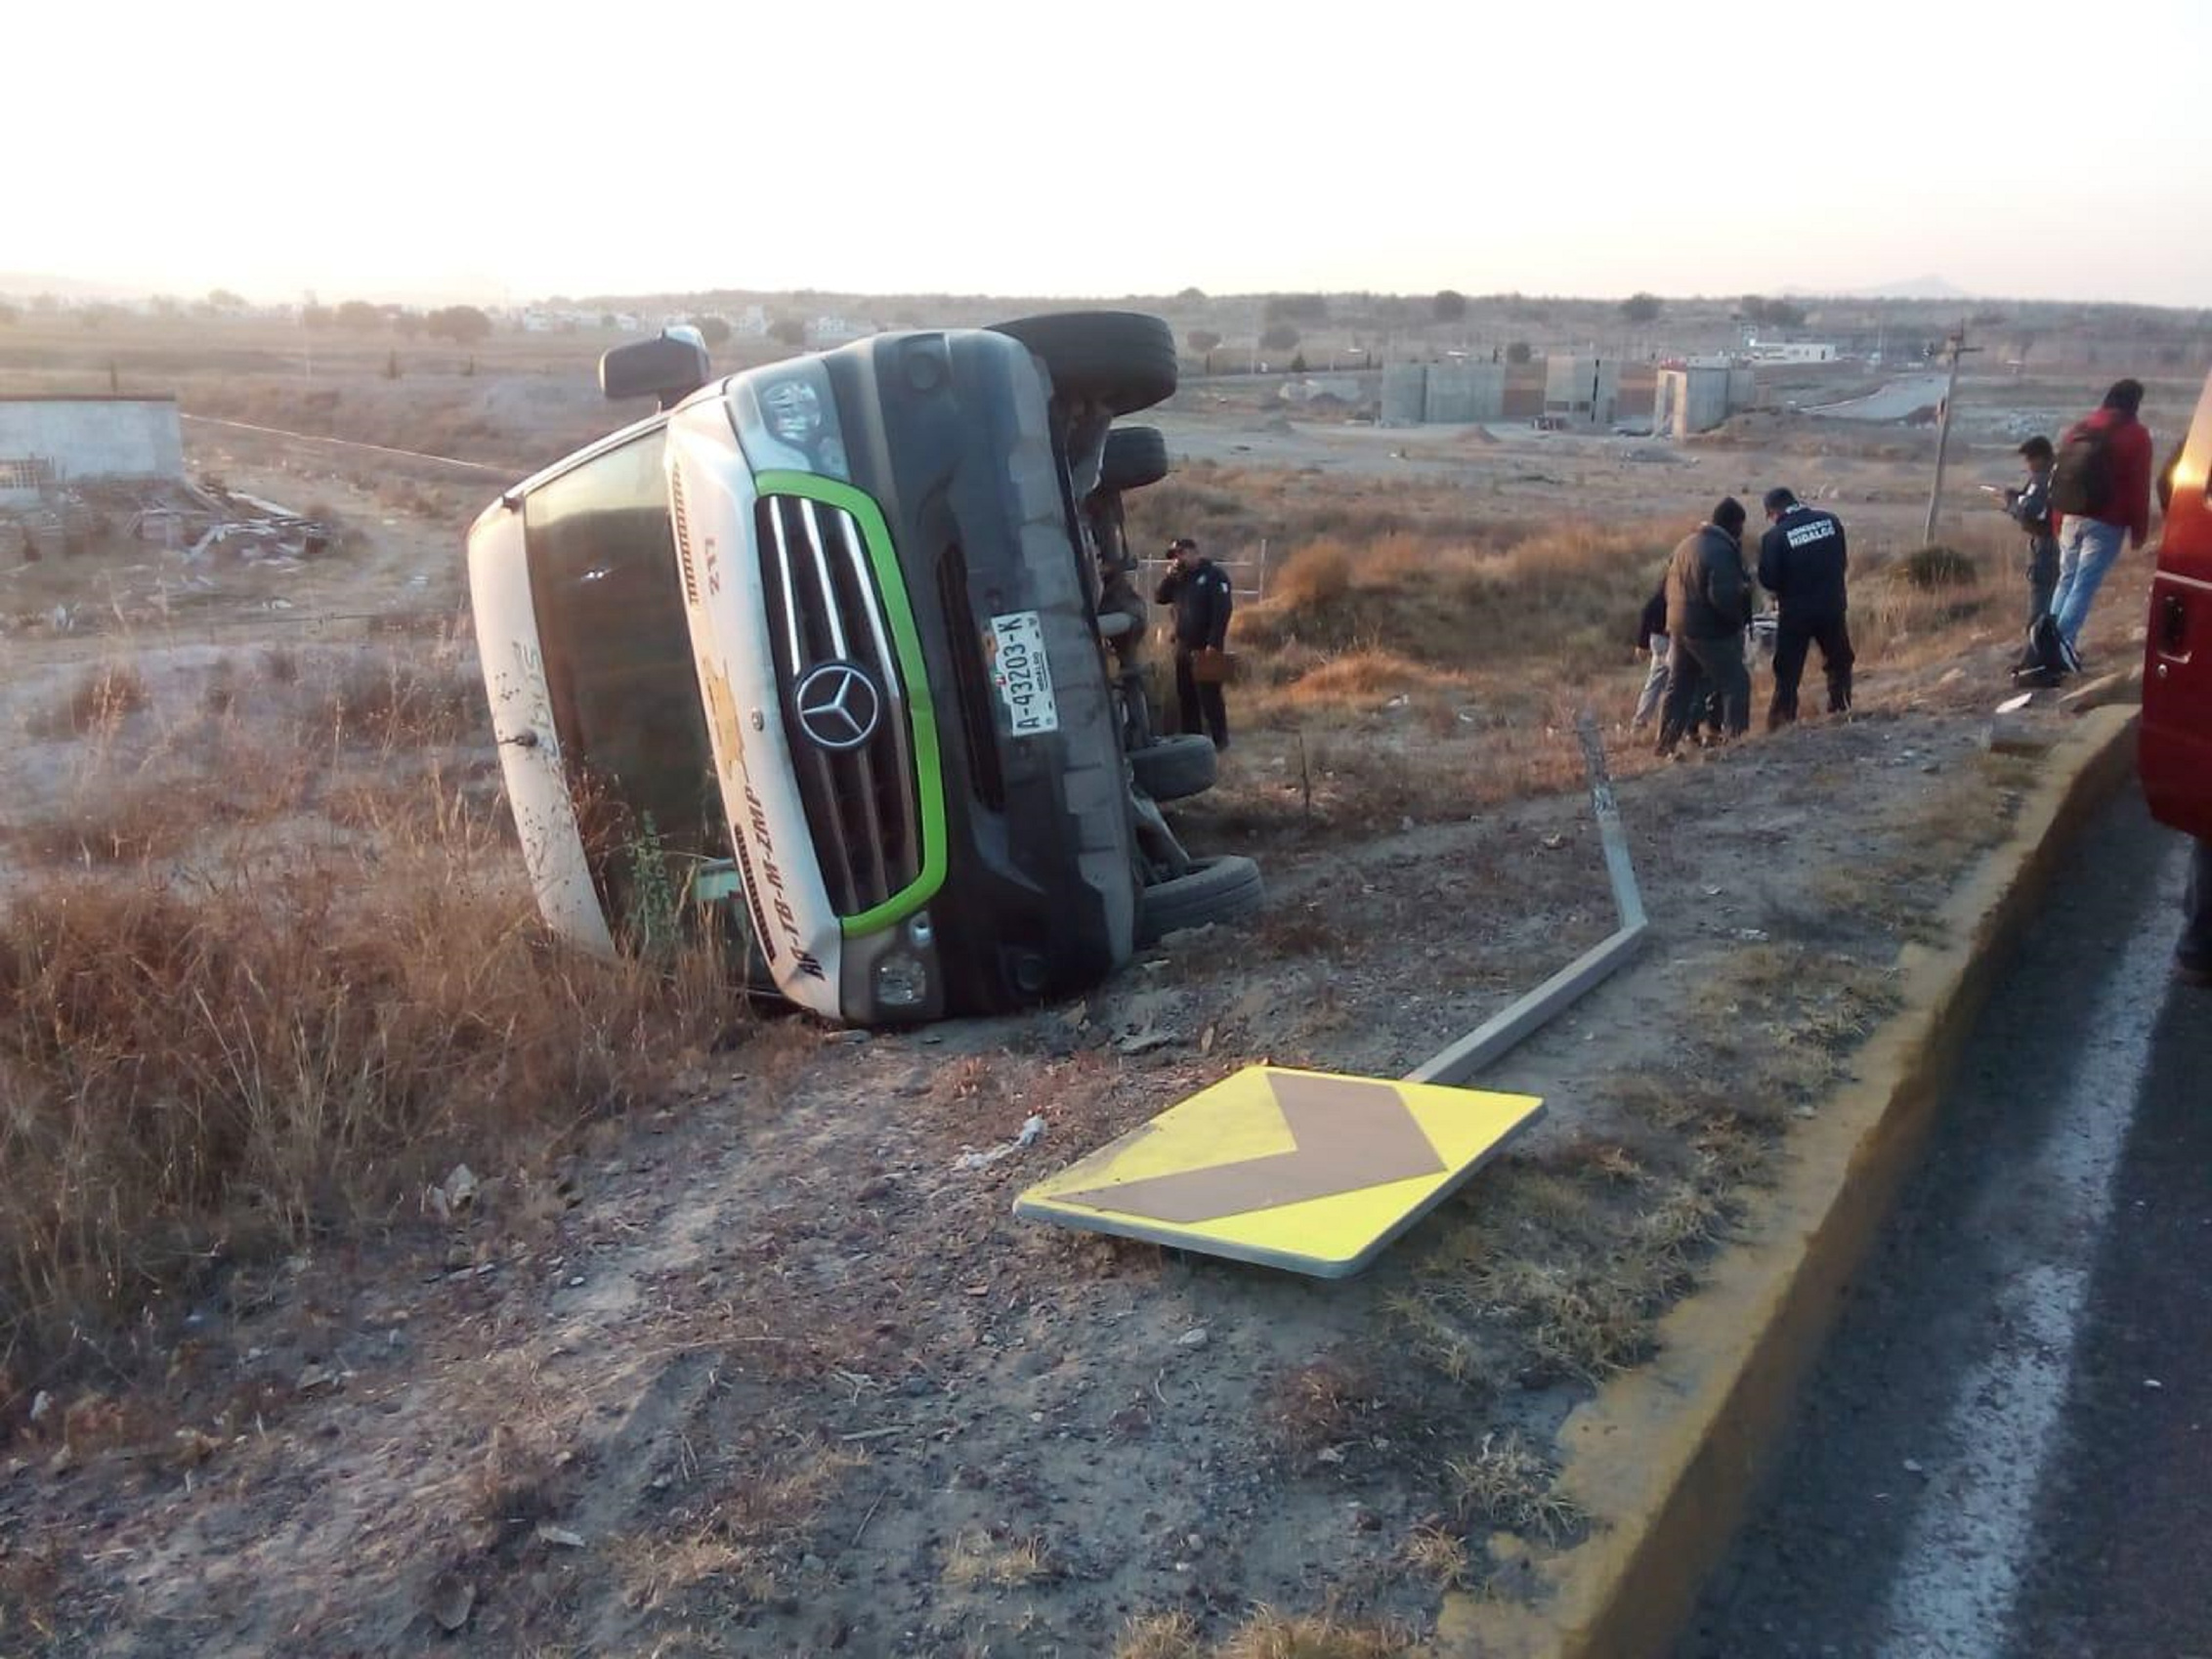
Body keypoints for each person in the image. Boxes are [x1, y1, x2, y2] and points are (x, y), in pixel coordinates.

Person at [2048, 377, 2154, 656]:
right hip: (2107, 521)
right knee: (2083, 585)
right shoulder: (2136, 435)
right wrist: (2139, 531)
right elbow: (2138, 486)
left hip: (2071, 515)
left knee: (2066, 580)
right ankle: (2061, 647)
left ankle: (2045, 643)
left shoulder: (2079, 429)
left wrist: (2058, 518)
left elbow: (2062, 477)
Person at [1656, 498, 1753, 755]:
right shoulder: (1721, 551)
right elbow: (1722, 596)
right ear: (1735, 524)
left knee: (1680, 686)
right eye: (1741, 526)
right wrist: (1736, 622)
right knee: (1736, 682)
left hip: (1678, 625)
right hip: (1708, 629)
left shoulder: (1686, 544)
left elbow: (1667, 585)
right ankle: (1735, 744)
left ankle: (1665, 744)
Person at [1757, 487, 1853, 729]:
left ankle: (1781, 722)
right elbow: (1842, 561)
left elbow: (1768, 579)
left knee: (1788, 671)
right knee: (1839, 661)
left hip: (1796, 612)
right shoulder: (1830, 521)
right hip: (1832, 605)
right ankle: (1840, 709)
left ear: (1773, 512)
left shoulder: (1775, 538)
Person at [1154, 535, 1233, 749]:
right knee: (1186, 696)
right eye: (1174, 556)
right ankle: (1193, 742)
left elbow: (1222, 612)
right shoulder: (1180, 579)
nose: (1178, 559)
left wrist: (1214, 644)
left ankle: (1220, 740)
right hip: (1182, 645)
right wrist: (1170, 577)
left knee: (1210, 696)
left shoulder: (1214, 576)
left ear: (1193, 552)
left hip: (1207, 645)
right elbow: (1159, 597)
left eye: (1181, 554)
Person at [2003, 436, 2063, 628]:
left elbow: (2032, 511)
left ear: (2041, 458)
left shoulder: (2042, 479)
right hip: (2060, 539)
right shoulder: (2058, 473)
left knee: (2041, 595)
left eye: (2030, 459)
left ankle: (2037, 645)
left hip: (2046, 544)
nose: (2028, 465)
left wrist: (2012, 505)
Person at [1631, 581, 1670, 730]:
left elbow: (1647, 611)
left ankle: (1640, 721)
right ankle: (1670, 725)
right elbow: (1647, 611)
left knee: (1655, 681)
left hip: (1658, 639)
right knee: (1676, 682)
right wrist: (1642, 644)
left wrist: (1643, 644)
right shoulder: (1676, 588)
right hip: (1666, 639)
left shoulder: (1664, 589)